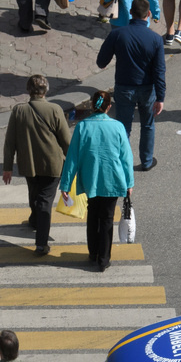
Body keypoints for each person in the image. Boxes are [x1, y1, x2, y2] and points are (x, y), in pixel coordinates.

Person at [58, 90, 134, 272]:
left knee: (92, 214)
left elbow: (72, 158)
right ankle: (104, 259)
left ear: (92, 105)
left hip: (90, 179)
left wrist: (66, 184)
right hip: (112, 180)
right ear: (108, 107)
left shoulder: (82, 127)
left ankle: (93, 253)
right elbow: (126, 158)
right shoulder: (117, 127)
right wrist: (129, 183)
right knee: (107, 218)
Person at [2, 75, 72, 256]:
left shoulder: (18, 111)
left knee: (36, 196)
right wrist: (73, 164)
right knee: (43, 200)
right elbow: (66, 141)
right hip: (53, 165)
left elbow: (10, 142)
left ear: (28, 91)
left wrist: (7, 167)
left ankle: (39, 238)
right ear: (46, 90)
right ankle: (39, 231)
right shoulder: (55, 109)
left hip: (29, 164)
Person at [97, 0, 165, 172]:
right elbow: (159, 71)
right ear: (148, 14)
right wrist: (161, 97)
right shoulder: (156, 39)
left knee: (123, 128)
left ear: (130, 13)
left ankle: (123, 162)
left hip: (124, 87)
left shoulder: (118, 34)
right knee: (148, 125)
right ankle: (147, 161)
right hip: (147, 89)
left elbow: (101, 62)